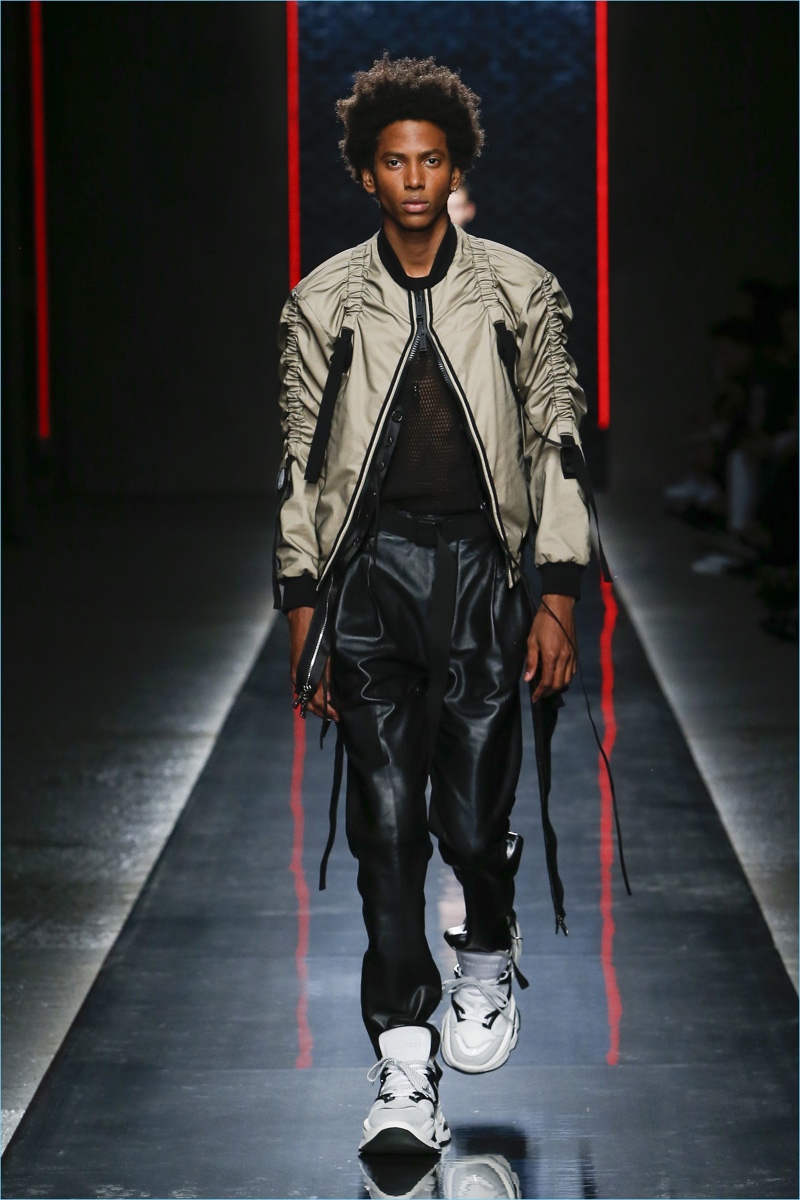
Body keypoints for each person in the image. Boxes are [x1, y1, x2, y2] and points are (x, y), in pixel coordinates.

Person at [274, 55, 591, 1156]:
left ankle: (487, 946)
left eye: (432, 160)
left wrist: (557, 595)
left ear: (456, 169)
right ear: (366, 174)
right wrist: (303, 609)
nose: (414, 178)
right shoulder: (322, 300)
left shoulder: (518, 290)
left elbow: (556, 442)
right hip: (368, 582)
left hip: (480, 579)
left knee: (466, 820)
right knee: (386, 827)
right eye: (394, 161)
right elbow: (299, 461)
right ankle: (404, 1061)